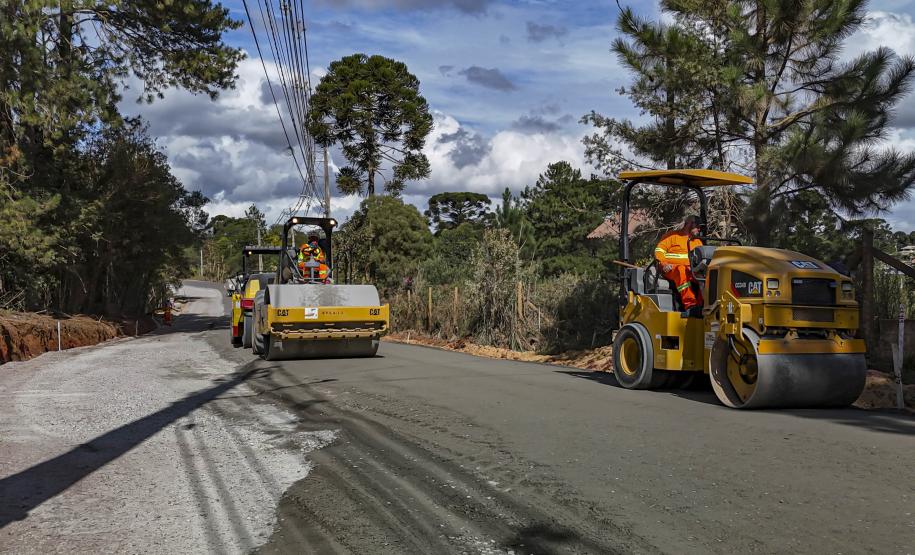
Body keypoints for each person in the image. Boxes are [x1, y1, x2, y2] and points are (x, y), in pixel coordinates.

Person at [655, 215, 704, 315]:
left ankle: (702, 305)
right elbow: (659, 251)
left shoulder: (697, 242)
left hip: (691, 270)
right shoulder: (672, 236)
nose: (699, 229)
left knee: (706, 277)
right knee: (681, 271)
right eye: (697, 226)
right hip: (672, 269)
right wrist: (664, 264)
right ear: (689, 224)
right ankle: (690, 304)